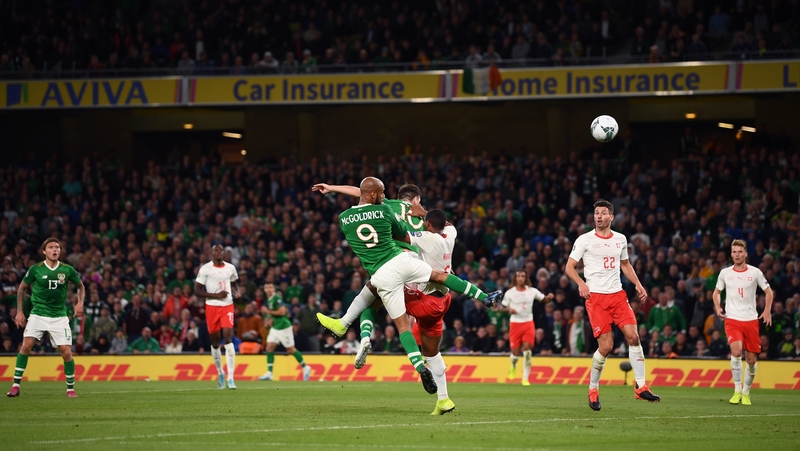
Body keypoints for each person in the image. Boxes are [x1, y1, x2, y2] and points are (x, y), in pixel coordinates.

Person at [315, 177, 501, 394]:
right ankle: (484, 297)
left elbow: (362, 193)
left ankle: (361, 334)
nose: (384, 195)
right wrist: (424, 214)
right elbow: (443, 225)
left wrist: (332, 188)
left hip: (390, 273)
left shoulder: (366, 211)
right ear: (416, 200)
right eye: (382, 192)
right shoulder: (420, 218)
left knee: (379, 302)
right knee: (440, 278)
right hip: (422, 277)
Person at [565, 200, 660, 411]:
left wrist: (638, 284)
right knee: (606, 347)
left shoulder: (620, 239)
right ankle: (593, 388)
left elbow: (625, 264)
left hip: (617, 296)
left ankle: (641, 386)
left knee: (634, 336)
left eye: (603, 213)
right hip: (596, 299)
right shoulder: (584, 239)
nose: (599, 216)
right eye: (596, 213)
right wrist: (581, 283)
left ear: (611, 217)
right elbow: (569, 267)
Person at [7, 238, 85, 398]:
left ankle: (70, 388)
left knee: (66, 352)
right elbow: (21, 289)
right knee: (26, 345)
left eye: (57, 247)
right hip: (38, 314)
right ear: (44, 251)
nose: (55, 250)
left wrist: (80, 303)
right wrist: (20, 312)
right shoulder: (36, 269)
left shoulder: (67, 270)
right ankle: (15, 386)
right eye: (51, 247)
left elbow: (80, 286)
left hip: (59, 316)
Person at [713, 239, 773, 405]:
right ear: (731, 254)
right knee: (736, 351)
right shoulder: (725, 273)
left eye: (740, 252)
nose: (737, 255)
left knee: (751, 361)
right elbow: (716, 292)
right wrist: (718, 307)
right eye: (734, 252)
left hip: (751, 320)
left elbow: (769, 292)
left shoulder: (755, 272)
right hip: (732, 319)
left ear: (745, 253)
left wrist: (767, 310)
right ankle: (737, 390)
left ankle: (746, 392)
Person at [195, 244, 240, 390]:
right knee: (215, 343)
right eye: (217, 250)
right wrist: (216, 295)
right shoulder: (205, 269)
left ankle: (231, 378)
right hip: (212, 307)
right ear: (211, 253)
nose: (219, 252)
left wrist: (237, 291)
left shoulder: (230, 268)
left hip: (227, 306)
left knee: (228, 338)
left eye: (221, 250)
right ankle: (220, 372)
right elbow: (197, 291)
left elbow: (234, 282)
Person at [500, 270, 554, 385]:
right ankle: (513, 365)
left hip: (528, 322)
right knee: (515, 353)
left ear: (525, 278)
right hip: (515, 324)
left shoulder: (532, 291)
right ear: (515, 278)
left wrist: (549, 297)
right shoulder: (510, 293)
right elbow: (502, 307)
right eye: (518, 276)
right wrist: (509, 310)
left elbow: (543, 299)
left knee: (527, 351)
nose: (520, 278)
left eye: (522, 276)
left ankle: (525, 378)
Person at [258, 283, 311, 382]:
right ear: (264, 290)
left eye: (270, 287)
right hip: (275, 328)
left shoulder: (277, 298)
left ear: (274, 289)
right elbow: (275, 313)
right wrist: (270, 319)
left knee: (290, 349)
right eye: (266, 288)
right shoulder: (269, 299)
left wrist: (268, 311)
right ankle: (269, 373)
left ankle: (305, 367)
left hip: (284, 328)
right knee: (269, 347)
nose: (268, 289)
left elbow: (282, 312)